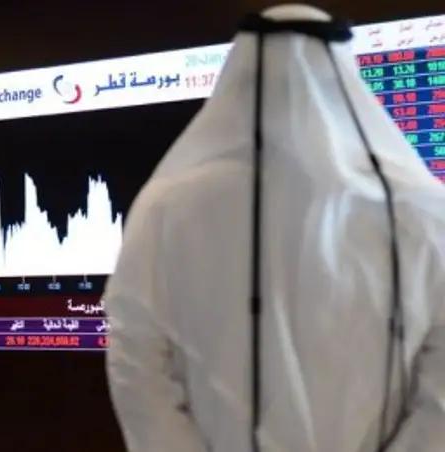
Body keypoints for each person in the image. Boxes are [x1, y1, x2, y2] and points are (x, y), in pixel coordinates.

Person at [103, 4, 445, 452]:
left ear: (239, 82)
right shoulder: (425, 211)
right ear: (345, 82)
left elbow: (139, 369)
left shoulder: (165, 208)